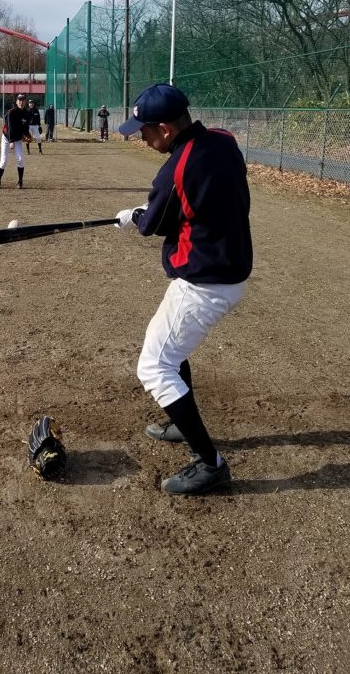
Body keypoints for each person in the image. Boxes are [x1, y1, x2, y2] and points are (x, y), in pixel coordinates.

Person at [115, 83, 252, 496]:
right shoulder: (224, 141)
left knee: (154, 366)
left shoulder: (174, 170)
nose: (141, 137)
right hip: (229, 268)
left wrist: (136, 216)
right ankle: (180, 421)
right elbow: (192, 202)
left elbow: (153, 225)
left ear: (165, 129)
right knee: (171, 351)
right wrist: (149, 211)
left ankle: (210, 464)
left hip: (204, 282)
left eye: (144, 130)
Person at [0, 93, 30, 189]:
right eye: (19, 100)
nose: (21, 102)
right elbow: (10, 128)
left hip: (17, 139)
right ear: (16, 102)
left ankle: (20, 181)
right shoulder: (11, 112)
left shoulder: (26, 113)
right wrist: (11, 141)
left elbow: (25, 127)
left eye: (23, 100)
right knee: (4, 160)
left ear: (25, 102)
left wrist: (27, 136)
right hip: (7, 138)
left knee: (20, 159)